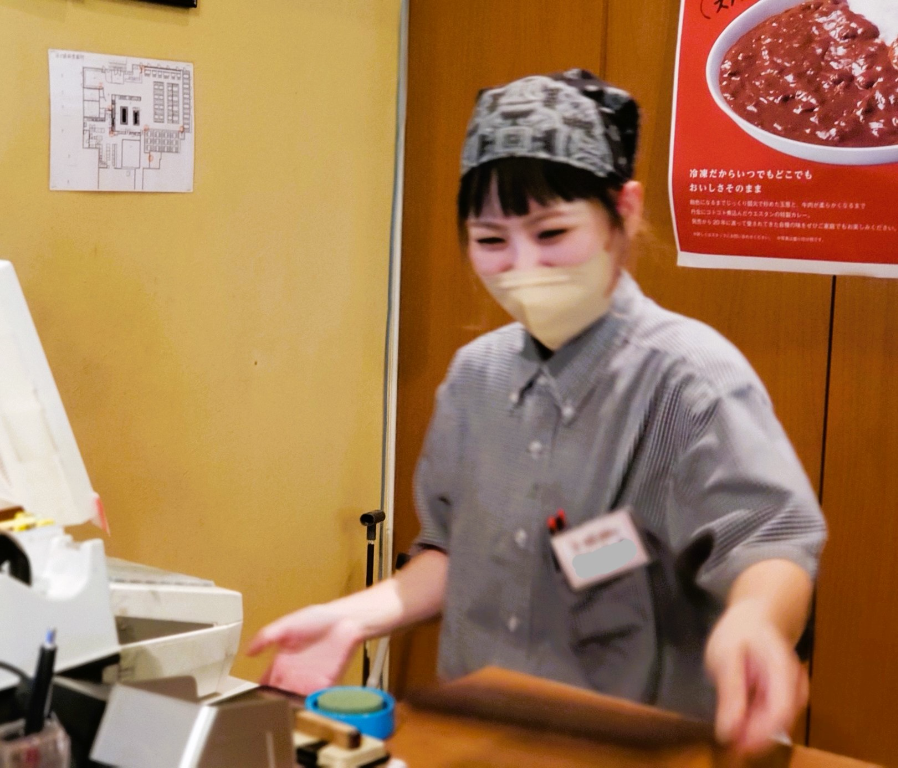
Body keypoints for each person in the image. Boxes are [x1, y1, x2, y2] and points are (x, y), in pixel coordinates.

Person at [248, 69, 827, 756]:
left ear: (625, 213)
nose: (524, 266)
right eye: (491, 241)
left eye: (552, 232)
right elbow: (453, 551)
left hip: (641, 749)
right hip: (485, 739)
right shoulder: (476, 378)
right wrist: (352, 617)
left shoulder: (688, 380)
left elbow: (770, 542)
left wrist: (757, 622)